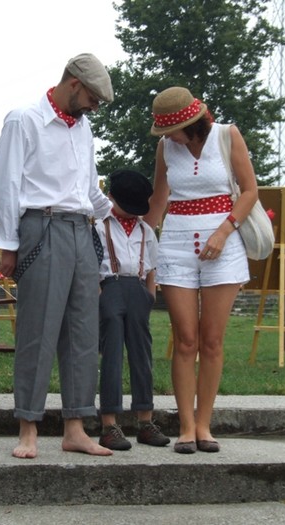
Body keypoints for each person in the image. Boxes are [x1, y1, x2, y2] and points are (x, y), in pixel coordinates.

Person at [0, 53, 115, 459]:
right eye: (93, 98)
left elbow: (88, 187)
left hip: (81, 229)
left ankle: (75, 428)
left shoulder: (84, 128)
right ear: (74, 83)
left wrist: (116, 214)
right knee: (38, 331)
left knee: (83, 333)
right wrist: (8, 245)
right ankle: (28, 429)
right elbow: (4, 184)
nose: (94, 107)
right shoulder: (23, 120)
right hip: (41, 227)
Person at [144, 86, 257, 454]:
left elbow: (249, 191)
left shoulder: (227, 135)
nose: (167, 136)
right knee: (185, 340)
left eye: (171, 129)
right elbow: (159, 199)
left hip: (223, 243)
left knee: (211, 341)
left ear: (191, 123)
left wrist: (224, 232)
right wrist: (138, 240)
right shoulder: (165, 148)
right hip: (176, 244)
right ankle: (186, 427)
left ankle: (205, 424)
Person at [94, 169, 170, 451]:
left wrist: (149, 296)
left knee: (142, 356)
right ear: (111, 198)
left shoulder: (145, 230)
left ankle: (145, 420)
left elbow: (151, 267)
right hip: (110, 287)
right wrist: (101, 297)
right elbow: (91, 266)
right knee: (111, 356)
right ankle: (109, 424)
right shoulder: (99, 227)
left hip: (137, 290)